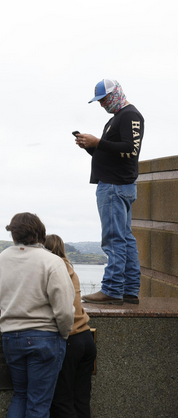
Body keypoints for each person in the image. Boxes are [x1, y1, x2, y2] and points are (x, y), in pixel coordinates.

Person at [0, 213, 75, 418]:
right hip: (45, 338)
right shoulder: (52, 261)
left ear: (14, 234)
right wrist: (64, 335)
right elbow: (64, 309)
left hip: (11, 336)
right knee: (38, 404)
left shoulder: (2, 258)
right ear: (41, 233)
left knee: (20, 395)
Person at [75, 79, 143, 305]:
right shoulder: (115, 119)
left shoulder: (130, 116)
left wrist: (98, 141)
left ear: (116, 94)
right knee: (125, 239)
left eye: (104, 99)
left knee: (114, 240)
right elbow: (108, 154)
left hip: (115, 186)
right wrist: (91, 146)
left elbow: (130, 150)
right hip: (117, 185)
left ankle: (112, 290)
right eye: (99, 101)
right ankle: (130, 290)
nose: (102, 104)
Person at [44, 235, 97, 418]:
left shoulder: (52, 270)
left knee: (62, 400)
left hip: (70, 339)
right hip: (86, 337)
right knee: (82, 398)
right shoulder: (69, 268)